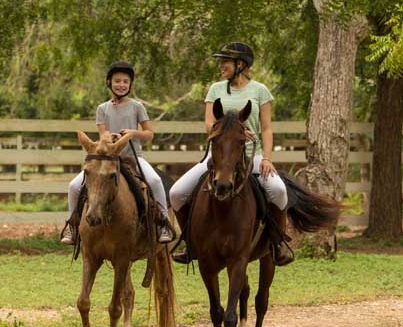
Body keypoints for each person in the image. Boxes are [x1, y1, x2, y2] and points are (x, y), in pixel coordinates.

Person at [169, 42, 293, 266]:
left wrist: (267, 158)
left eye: (225, 62)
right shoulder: (215, 89)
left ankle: (277, 243)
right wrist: (231, 130)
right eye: (221, 62)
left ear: (241, 64)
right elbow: (209, 124)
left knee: (278, 190)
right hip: (218, 157)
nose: (221, 66)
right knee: (177, 193)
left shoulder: (260, 90)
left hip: (251, 155)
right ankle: (190, 242)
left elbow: (266, 128)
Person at [61, 61, 174, 244]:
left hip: (133, 158)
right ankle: (72, 227)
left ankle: (163, 223)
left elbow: (149, 134)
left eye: (125, 81)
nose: (121, 84)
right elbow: (102, 136)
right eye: (117, 81)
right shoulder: (102, 108)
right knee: (74, 186)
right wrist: (110, 137)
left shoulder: (137, 106)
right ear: (109, 82)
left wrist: (132, 133)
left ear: (130, 85)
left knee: (154, 181)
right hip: (108, 160)